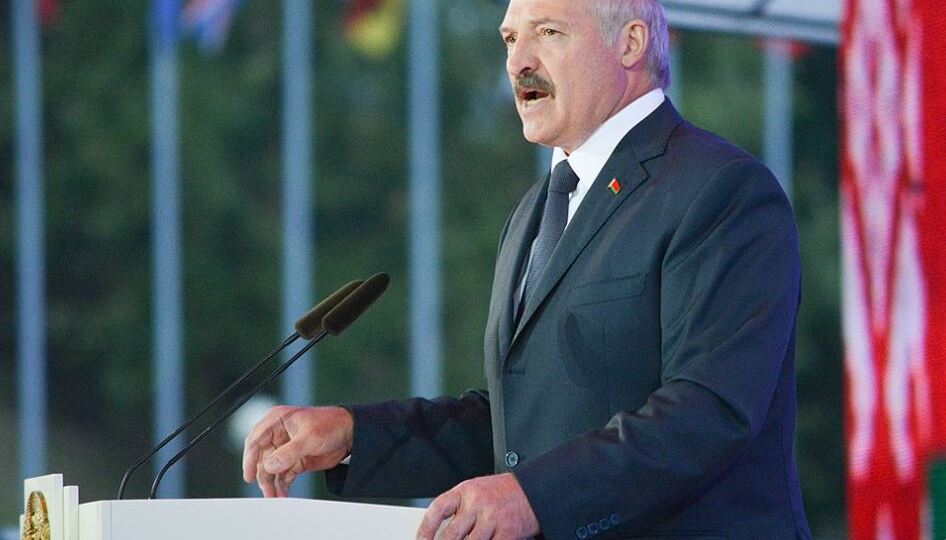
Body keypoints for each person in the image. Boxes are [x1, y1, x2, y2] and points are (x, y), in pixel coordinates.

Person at [242, 0, 814, 538]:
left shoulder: (721, 191)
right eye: (511, 39)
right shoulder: (536, 210)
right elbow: (516, 429)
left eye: (549, 32)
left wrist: (534, 498)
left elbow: (708, 412)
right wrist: (355, 436)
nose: (519, 62)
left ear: (631, 43)